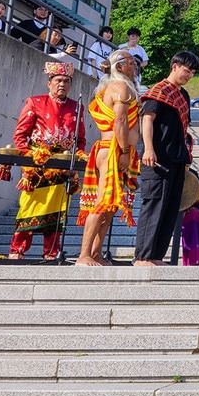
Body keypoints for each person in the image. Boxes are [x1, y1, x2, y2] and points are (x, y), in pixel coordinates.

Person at [6, 61, 87, 261]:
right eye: (58, 80)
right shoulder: (35, 102)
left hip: (63, 166)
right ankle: (17, 250)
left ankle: (51, 253)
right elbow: (20, 136)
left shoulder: (76, 107)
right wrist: (31, 159)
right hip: (38, 165)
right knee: (29, 208)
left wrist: (77, 157)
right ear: (48, 83)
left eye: (66, 81)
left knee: (57, 212)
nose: (62, 84)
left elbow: (81, 140)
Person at [134, 51, 199, 266]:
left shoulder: (184, 95)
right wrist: (148, 149)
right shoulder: (158, 91)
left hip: (177, 159)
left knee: (170, 208)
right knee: (154, 206)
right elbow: (147, 120)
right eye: (186, 70)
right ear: (174, 66)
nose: (189, 74)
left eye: (192, 72)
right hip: (157, 158)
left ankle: (156, 256)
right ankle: (143, 256)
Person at [76, 50, 142, 266]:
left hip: (117, 149)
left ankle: (96, 253)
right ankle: (84, 255)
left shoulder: (113, 86)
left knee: (112, 205)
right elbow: (120, 122)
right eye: (131, 63)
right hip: (114, 150)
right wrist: (123, 151)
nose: (135, 67)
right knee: (103, 202)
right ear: (119, 67)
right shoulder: (120, 87)